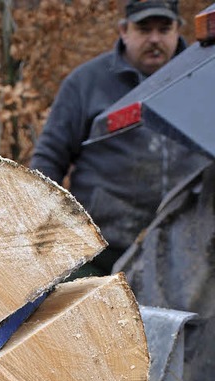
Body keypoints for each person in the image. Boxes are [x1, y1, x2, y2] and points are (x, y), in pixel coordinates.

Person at [30, 0, 208, 273]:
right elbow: (48, 160)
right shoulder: (86, 83)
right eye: (144, 29)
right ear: (124, 31)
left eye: (164, 29)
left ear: (178, 29)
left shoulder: (205, 78)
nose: (155, 39)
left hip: (190, 255)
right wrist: (42, 234)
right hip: (100, 252)